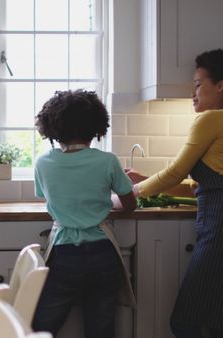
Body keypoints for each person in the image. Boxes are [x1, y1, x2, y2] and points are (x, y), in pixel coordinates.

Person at [127, 49, 223, 338]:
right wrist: (146, 180)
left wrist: (132, 192)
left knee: (186, 322)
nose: (193, 92)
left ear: (220, 85)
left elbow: (176, 172)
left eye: (198, 84)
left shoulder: (210, 120)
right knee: (219, 324)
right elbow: (201, 185)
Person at [31, 89, 137, 338]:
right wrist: (107, 202)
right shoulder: (108, 161)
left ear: (52, 128)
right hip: (103, 253)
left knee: (42, 325)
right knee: (101, 328)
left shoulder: (43, 163)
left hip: (65, 254)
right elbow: (130, 204)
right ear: (96, 126)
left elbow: (49, 197)